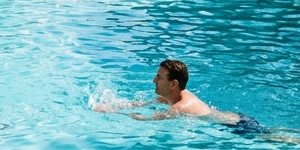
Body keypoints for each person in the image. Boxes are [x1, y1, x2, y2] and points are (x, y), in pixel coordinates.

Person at [112, 59, 265, 135]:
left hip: (237, 126)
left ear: (174, 84)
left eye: (159, 77)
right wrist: (116, 104)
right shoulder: (170, 97)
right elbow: (140, 105)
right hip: (235, 118)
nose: (154, 80)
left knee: (271, 138)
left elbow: (148, 120)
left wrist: (113, 113)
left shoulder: (181, 106)